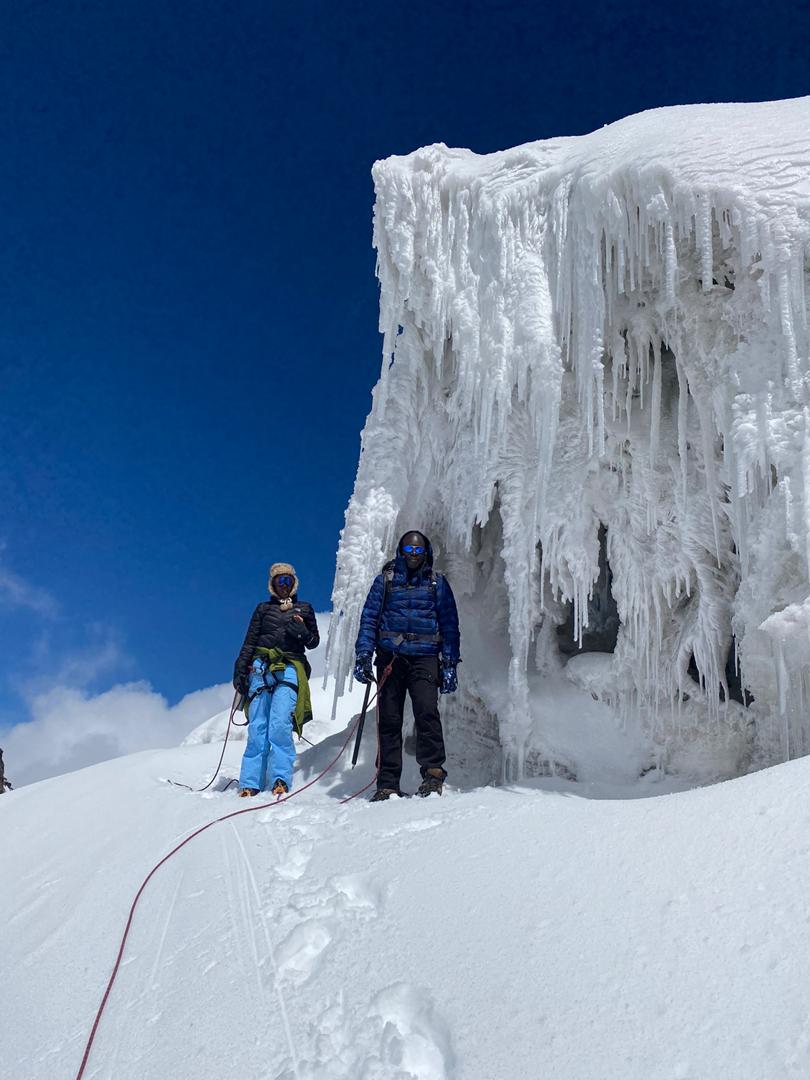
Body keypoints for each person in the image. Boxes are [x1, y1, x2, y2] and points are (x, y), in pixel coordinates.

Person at [354, 531, 460, 800]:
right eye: (409, 551)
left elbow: (450, 625)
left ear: (426, 553)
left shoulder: (437, 583)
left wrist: (449, 663)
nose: (414, 556)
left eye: (418, 551)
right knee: (389, 720)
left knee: (427, 712)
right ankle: (387, 783)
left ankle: (433, 773)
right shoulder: (385, 581)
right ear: (401, 552)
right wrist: (364, 654)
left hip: (425, 656)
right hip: (391, 656)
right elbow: (369, 619)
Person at [233, 562, 319, 797]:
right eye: (280, 581)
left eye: (288, 581)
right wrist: (241, 669)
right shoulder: (262, 609)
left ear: (294, 584)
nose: (284, 585)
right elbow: (250, 642)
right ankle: (250, 782)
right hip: (261, 668)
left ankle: (280, 777)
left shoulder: (305, 609)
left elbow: (313, 642)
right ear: (272, 584)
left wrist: (302, 633)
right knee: (258, 726)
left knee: (280, 723)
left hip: (290, 665)